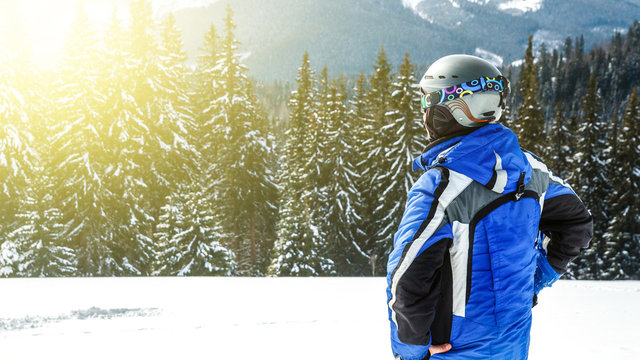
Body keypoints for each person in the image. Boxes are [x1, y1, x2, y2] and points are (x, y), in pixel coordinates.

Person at [385, 54, 593, 360]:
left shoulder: (440, 186)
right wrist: (533, 282)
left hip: (452, 351)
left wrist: (410, 350)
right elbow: (576, 225)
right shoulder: (531, 170)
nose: (424, 113)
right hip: (512, 346)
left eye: (426, 103)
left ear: (448, 110)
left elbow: (406, 279)